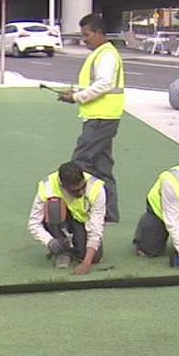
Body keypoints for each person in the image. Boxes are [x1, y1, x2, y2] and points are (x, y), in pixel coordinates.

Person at [58, 13, 124, 223]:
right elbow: (95, 84)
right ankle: (109, 213)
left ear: (98, 33)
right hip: (104, 117)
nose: (83, 39)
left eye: (86, 35)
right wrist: (75, 91)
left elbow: (104, 84)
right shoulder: (102, 53)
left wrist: (76, 97)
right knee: (103, 168)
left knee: (80, 163)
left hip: (100, 118)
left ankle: (74, 211)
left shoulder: (106, 55)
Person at [26, 161, 106, 275]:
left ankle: (77, 249)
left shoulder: (96, 188)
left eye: (83, 187)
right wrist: (49, 241)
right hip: (59, 221)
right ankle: (63, 250)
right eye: (75, 191)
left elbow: (96, 228)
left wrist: (86, 263)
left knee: (95, 257)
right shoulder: (48, 187)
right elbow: (34, 223)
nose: (81, 192)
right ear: (63, 187)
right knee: (54, 206)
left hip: (82, 222)